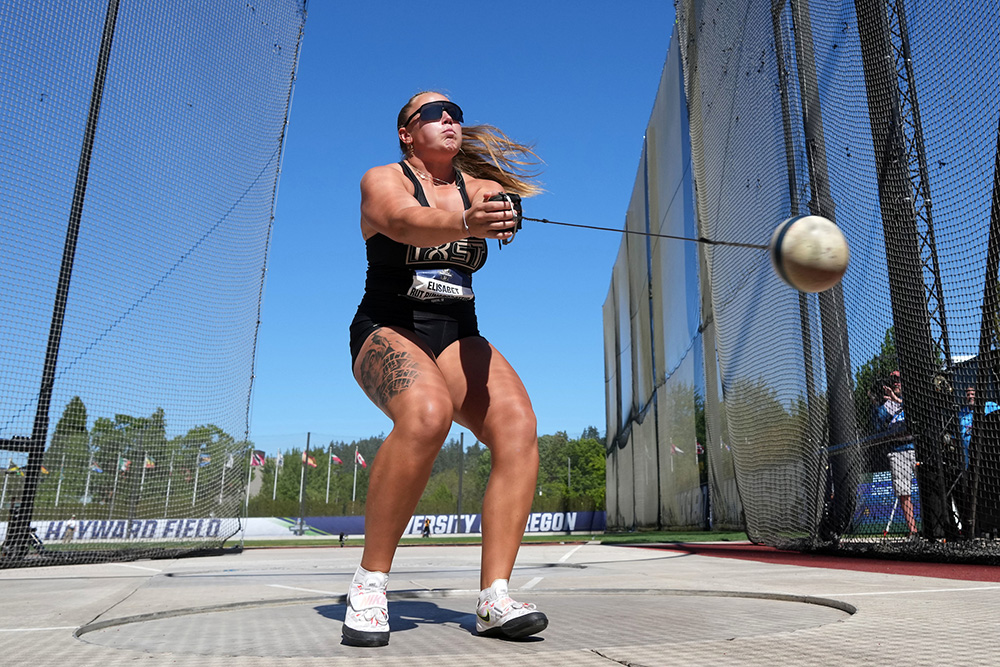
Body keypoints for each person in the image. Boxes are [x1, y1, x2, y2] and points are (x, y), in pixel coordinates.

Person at [342, 92, 547, 647]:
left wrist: (505, 212)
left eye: (454, 111)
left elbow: (497, 205)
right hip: (387, 328)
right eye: (433, 113)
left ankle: (494, 599)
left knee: (518, 427)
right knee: (427, 415)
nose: (449, 118)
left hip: (456, 332)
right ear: (407, 132)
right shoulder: (381, 179)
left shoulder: (476, 187)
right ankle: (369, 584)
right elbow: (406, 224)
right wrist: (464, 220)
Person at [880, 371, 918, 537]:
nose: (896, 383)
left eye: (899, 379)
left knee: (929, 487)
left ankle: (935, 529)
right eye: (893, 380)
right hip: (898, 450)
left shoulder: (913, 398)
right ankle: (913, 532)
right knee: (903, 492)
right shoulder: (886, 406)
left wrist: (897, 400)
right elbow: (880, 425)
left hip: (917, 448)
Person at [958, 386, 1000, 470]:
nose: (970, 397)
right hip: (970, 457)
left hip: (987, 453)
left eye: (973, 394)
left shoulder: (989, 406)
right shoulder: (962, 413)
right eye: (968, 394)